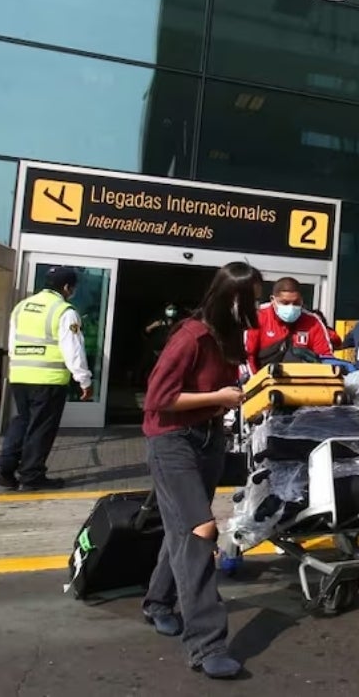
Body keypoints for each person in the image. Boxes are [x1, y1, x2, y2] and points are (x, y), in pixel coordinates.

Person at [140, 262, 258, 680]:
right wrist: (218, 395)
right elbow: (158, 399)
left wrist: (234, 398)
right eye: (253, 296)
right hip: (172, 441)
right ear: (233, 296)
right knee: (200, 530)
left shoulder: (229, 338)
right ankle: (207, 644)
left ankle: (157, 603)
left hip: (209, 440)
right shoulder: (190, 336)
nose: (257, 305)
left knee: (181, 530)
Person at [0, 267, 92, 491]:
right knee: (41, 428)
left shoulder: (22, 307)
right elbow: (73, 350)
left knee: (22, 420)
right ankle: (31, 476)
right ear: (67, 287)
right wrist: (84, 380)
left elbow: (12, 342)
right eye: (72, 288)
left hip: (19, 376)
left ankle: (5, 466)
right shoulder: (65, 311)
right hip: (48, 379)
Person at [244, 277, 334, 373]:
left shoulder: (313, 321)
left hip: (303, 381)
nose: (291, 307)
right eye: (285, 303)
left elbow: (326, 357)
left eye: (296, 303)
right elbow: (247, 356)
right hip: (263, 380)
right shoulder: (258, 316)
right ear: (273, 300)